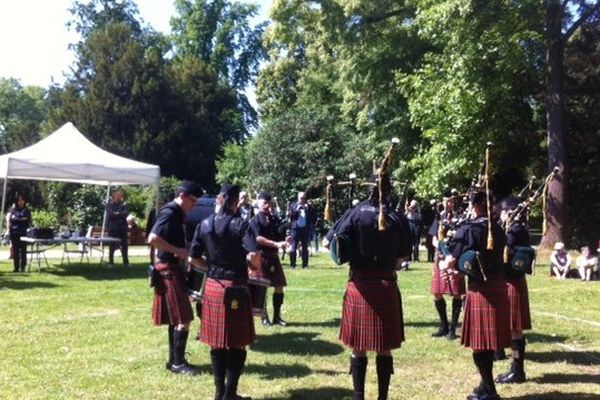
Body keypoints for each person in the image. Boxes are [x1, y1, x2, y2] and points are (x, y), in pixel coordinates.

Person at [324, 173, 411, 400]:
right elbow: (401, 260)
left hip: (360, 284)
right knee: (384, 346)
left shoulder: (354, 213)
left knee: (358, 345)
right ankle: (382, 397)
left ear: (369, 189)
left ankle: (359, 396)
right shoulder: (398, 218)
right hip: (386, 284)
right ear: (389, 192)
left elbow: (330, 244)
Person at [439, 190, 510, 400]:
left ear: (476, 205)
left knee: (480, 345)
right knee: (488, 342)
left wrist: (446, 262)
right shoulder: (498, 228)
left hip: (481, 289)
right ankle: (484, 384)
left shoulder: (469, 228)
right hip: (498, 286)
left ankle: (490, 391)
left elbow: (453, 259)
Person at [189, 184, 256, 400]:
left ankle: (219, 394)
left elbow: (192, 259)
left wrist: (210, 267)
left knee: (217, 342)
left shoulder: (204, 224)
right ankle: (230, 394)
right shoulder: (241, 224)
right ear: (236, 202)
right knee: (237, 342)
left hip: (214, 286)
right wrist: (252, 265)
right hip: (236, 286)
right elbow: (253, 256)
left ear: (219, 199)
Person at [147, 181, 204, 375]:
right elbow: (153, 238)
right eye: (193, 201)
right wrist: (178, 251)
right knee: (184, 317)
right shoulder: (169, 212)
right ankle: (178, 363)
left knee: (176, 319)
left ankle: (174, 361)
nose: (194, 205)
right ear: (183, 195)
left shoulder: (176, 214)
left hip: (170, 268)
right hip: (168, 269)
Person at [494, 197, 532, 384]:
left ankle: (518, 371)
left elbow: (504, 252)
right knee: (513, 328)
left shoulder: (514, 230)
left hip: (512, 281)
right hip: (513, 281)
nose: (499, 214)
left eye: (502, 211)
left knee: (515, 329)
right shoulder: (517, 227)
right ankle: (516, 368)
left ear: (508, 211)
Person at [246, 192, 291, 327]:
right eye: (264, 203)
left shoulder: (272, 218)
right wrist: (275, 244)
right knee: (262, 288)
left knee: (279, 286)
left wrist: (284, 240)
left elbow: (277, 233)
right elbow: (258, 238)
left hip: (273, 256)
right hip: (261, 256)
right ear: (258, 203)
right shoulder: (255, 220)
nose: (267, 205)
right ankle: (264, 317)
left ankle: (277, 316)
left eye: (269, 203)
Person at [428, 191, 465, 340]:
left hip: (454, 258)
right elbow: (433, 238)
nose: (447, 204)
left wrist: (452, 253)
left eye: (450, 201)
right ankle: (443, 325)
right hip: (440, 257)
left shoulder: (461, 217)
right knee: (437, 293)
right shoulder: (439, 217)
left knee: (456, 293)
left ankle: (453, 328)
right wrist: (438, 244)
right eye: (445, 201)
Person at [287, 191, 315, 268]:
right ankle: (293, 264)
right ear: (298, 198)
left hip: (305, 229)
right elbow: (290, 217)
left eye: (304, 198)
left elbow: (313, 216)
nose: (303, 200)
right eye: (301, 198)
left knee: (305, 247)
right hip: (295, 229)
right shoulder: (293, 205)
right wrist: (297, 210)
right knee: (293, 247)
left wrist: (310, 208)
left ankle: (305, 265)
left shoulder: (308, 206)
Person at [106, 189, 130, 268]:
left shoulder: (124, 205)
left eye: (121, 195)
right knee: (112, 246)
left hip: (122, 228)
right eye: (118, 195)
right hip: (113, 228)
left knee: (124, 246)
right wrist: (120, 214)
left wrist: (116, 214)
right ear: (114, 196)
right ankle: (111, 262)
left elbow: (125, 214)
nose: (120, 197)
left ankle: (126, 263)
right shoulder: (109, 204)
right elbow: (110, 214)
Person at [8, 194, 31, 272]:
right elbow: (11, 219)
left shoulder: (26, 211)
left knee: (23, 251)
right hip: (14, 233)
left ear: (24, 201)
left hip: (23, 234)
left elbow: (26, 220)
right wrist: (20, 218)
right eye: (19, 200)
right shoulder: (14, 210)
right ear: (17, 201)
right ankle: (16, 267)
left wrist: (17, 219)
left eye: (22, 200)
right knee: (15, 251)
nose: (20, 202)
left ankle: (23, 267)